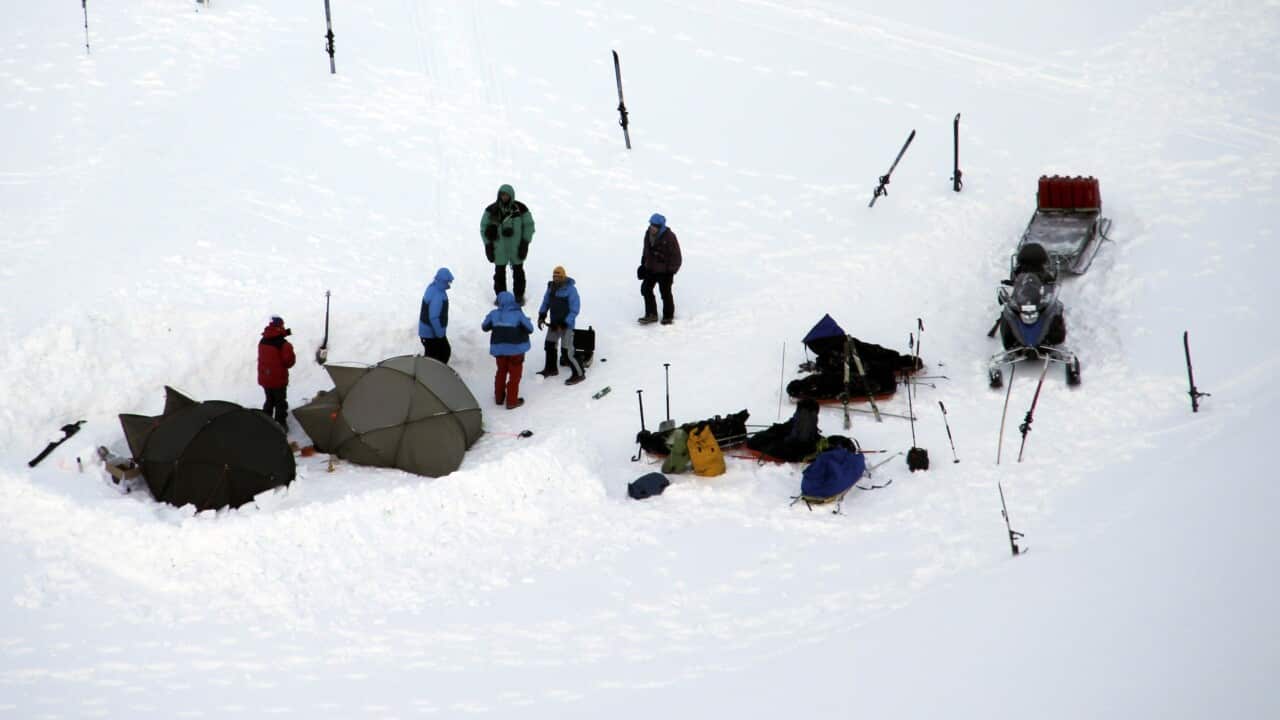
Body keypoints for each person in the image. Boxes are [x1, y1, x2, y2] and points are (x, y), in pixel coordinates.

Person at [480, 183, 535, 304]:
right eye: (502, 195)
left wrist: (525, 243)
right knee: (499, 272)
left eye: (506, 195)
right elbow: (483, 227)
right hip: (499, 247)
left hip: (516, 247)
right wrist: (488, 245)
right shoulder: (491, 210)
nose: (504, 197)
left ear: (511, 195)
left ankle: (519, 295)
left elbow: (529, 226)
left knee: (518, 271)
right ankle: (501, 296)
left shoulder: (521, 209)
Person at [481, 291, 535, 409]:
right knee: (514, 376)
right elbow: (530, 329)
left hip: (499, 351)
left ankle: (499, 398)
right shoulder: (518, 314)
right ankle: (512, 401)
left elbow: (484, 327)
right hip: (516, 351)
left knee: (501, 372)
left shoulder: (494, 314)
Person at [536, 265, 585, 385]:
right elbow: (546, 302)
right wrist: (542, 315)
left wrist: (565, 323)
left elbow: (575, 309)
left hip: (566, 325)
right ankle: (551, 368)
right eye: (554, 276)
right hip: (554, 324)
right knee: (549, 345)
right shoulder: (551, 287)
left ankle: (579, 374)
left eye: (558, 276)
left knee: (567, 351)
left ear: (563, 277)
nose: (555, 279)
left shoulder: (571, 290)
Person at [637, 212, 682, 325]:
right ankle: (651, 314)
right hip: (651, 269)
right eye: (651, 225)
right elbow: (646, 251)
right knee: (645, 289)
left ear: (660, 227)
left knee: (665, 293)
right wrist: (643, 265)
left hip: (665, 271)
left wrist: (671, 271)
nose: (652, 228)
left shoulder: (670, 237)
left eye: (655, 226)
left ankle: (668, 316)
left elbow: (677, 256)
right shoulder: (648, 234)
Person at [257, 316, 296, 431]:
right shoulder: (283, 344)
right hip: (278, 380)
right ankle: (281, 424)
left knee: (269, 400)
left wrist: (283, 334)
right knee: (280, 402)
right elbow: (289, 362)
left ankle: (265, 421)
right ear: (280, 326)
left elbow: (273, 338)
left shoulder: (263, 340)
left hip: (265, 378)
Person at [419, 267, 453, 364]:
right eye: (448, 282)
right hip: (431, 333)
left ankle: (432, 375)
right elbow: (434, 317)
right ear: (443, 281)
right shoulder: (438, 295)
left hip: (426, 332)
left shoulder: (432, 287)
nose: (449, 284)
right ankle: (434, 375)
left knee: (433, 356)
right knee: (442, 353)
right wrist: (440, 335)